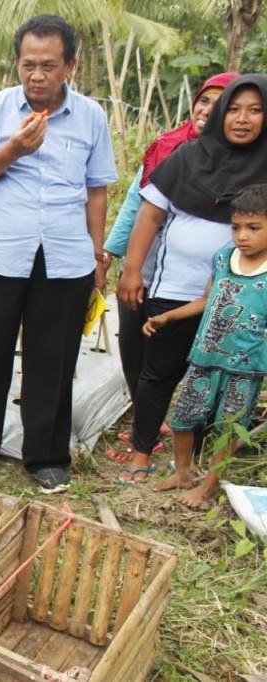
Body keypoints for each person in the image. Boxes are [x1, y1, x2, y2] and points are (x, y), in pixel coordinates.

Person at [0, 15, 117, 493]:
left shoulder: (91, 117)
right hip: (1, 249)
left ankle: (45, 455)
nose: (37, 75)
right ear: (17, 63)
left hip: (65, 255)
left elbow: (96, 190)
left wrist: (96, 255)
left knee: (54, 358)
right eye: (28, 65)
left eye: (48, 65)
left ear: (70, 65)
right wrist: (13, 150)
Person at [116, 74, 267, 483]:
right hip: (175, 290)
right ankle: (142, 452)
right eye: (233, 109)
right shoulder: (186, 158)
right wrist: (132, 270)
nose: (242, 118)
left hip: (242, 299)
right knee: (159, 374)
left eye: (255, 110)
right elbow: (148, 215)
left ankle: (196, 463)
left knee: (219, 380)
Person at [99, 72, 236, 463]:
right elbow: (137, 207)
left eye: (221, 103)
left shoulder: (249, 163)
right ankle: (148, 431)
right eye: (204, 101)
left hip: (205, 287)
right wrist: (115, 256)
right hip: (149, 273)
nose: (209, 111)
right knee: (139, 356)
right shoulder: (169, 149)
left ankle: (192, 441)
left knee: (189, 365)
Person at [144, 183, 267, 507]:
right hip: (205, 357)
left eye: (254, 228)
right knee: (183, 418)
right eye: (237, 227)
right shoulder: (224, 259)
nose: (242, 236)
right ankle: (184, 472)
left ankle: (209, 486)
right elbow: (206, 300)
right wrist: (168, 317)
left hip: (245, 367)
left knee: (229, 428)